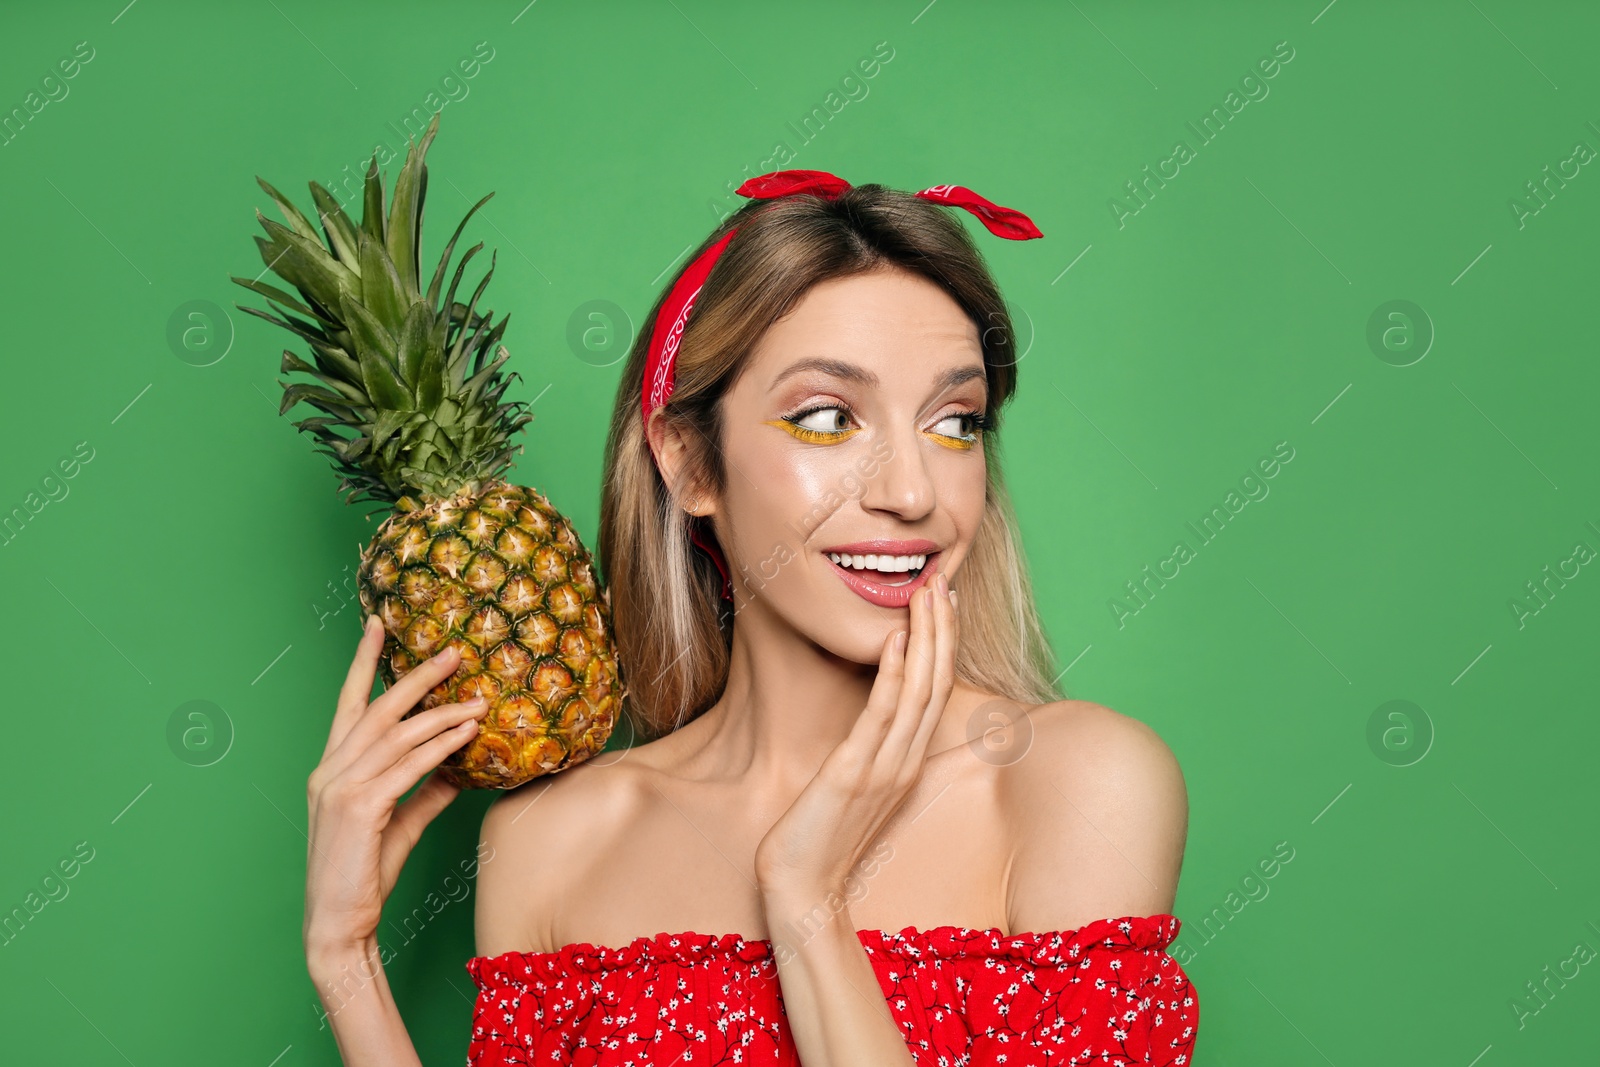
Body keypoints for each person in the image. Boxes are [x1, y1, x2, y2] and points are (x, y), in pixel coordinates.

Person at [303, 171, 1198, 1066]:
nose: (915, 491)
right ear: (690, 462)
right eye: (826, 417)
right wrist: (346, 964)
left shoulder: (1077, 787)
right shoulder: (554, 843)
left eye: (954, 422)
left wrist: (808, 898)